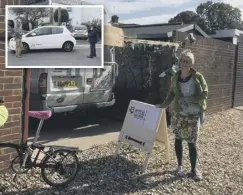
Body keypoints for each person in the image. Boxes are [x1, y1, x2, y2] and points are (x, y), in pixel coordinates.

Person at [156, 49, 208, 181]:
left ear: (191, 63)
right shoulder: (175, 77)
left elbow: (205, 93)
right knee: (178, 139)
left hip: (193, 115)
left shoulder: (198, 77)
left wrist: (190, 100)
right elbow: (171, 93)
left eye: (187, 61)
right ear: (179, 62)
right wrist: (163, 105)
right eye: (182, 60)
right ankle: (179, 166)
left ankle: (194, 169)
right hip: (179, 114)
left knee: (192, 142)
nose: (184, 63)